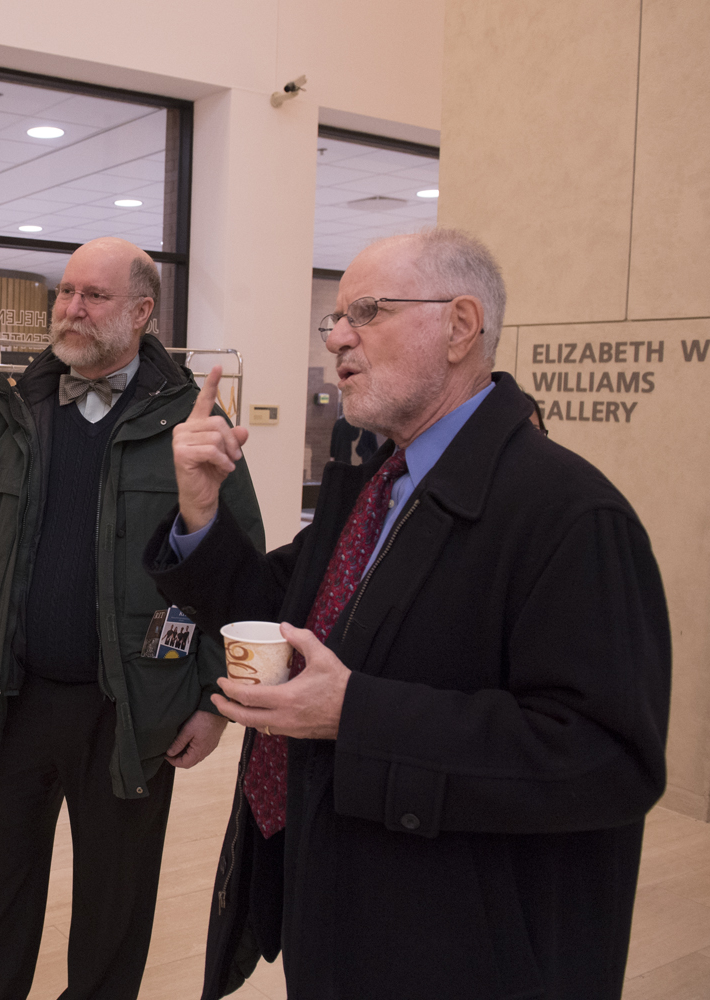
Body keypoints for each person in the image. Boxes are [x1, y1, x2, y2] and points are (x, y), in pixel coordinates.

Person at [149, 229, 670, 1000]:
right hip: (340, 908)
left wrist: (355, 712)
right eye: (334, 318)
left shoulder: (570, 515)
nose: (336, 338)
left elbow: (606, 760)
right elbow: (273, 613)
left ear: (461, 326)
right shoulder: (372, 488)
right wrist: (200, 510)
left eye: (366, 311)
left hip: (460, 950)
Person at [0, 237, 264, 1000]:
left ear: (142, 312)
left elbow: (239, 582)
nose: (71, 308)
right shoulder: (12, 409)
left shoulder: (192, 422)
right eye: (66, 291)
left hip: (133, 713)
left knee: (115, 910)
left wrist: (214, 703)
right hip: (13, 699)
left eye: (94, 295)